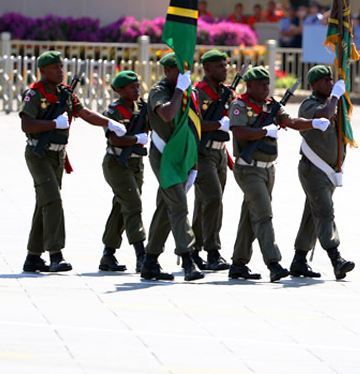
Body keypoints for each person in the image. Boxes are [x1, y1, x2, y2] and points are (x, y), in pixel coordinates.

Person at [20, 50, 128, 273]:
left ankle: (33, 257)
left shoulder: (65, 94)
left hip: (57, 155)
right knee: (52, 201)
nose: (61, 71)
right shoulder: (34, 93)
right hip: (38, 154)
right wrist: (52, 124)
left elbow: (85, 113)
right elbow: (27, 125)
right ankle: (55, 254)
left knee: (45, 202)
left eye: (61, 66)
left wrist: (109, 123)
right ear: (42, 71)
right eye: (55, 68)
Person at [228, 66, 331, 282]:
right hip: (248, 168)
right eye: (262, 85)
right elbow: (238, 131)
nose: (266, 89)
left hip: (267, 169)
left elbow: (291, 122)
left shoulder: (271, 106)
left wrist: (314, 123)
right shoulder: (239, 105)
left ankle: (238, 264)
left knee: (251, 215)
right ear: (250, 85)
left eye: (268, 84)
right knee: (264, 214)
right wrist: (265, 131)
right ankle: (273, 263)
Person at [141, 53, 205, 282]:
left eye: (186, 71)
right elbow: (167, 114)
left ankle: (149, 261)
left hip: (182, 156)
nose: (184, 75)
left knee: (166, 207)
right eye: (179, 70)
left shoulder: (189, 93)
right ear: (168, 71)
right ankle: (188, 259)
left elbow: (191, 128)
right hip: (164, 155)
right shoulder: (160, 91)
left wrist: (194, 164)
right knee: (179, 205)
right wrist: (179, 90)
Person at [290, 65, 355, 280]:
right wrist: (335, 96)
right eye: (324, 81)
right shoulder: (309, 105)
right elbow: (325, 115)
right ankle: (336, 258)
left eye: (330, 80)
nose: (329, 83)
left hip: (328, 171)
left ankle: (299, 259)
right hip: (313, 169)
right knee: (325, 211)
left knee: (313, 214)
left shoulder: (335, 103)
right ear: (313, 85)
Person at [98, 71, 149, 273]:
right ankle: (141, 255)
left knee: (122, 207)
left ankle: (108, 255)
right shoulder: (113, 112)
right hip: (117, 163)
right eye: (131, 87)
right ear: (119, 90)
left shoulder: (142, 108)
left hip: (136, 164)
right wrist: (136, 139)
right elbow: (115, 139)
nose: (136, 90)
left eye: (138, 86)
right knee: (133, 204)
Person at [190, 50, 235, 272]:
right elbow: (195, 123)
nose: (224, 69)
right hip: (203, 153)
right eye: (219, 66)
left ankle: (194, 248)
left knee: (205, 201)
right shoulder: (199, 93)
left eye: (225, 65)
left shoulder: (225, 92)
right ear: (207, 69)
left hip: (219, 154)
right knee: (214, 199)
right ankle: (213, 251)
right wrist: (218, 124)